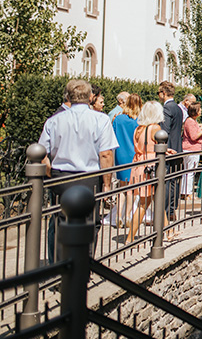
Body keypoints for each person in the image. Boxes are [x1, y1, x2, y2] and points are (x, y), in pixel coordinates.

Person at [40, 79, 118, 259]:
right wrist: (106, 184)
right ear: (90, 97)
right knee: (89, 223)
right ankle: (83, 267)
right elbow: (106, 154)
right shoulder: (101, 119)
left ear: (68, 96)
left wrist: (52, 174)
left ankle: (61, 271)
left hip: (61, 178)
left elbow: (42, 154)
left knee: (61, 222)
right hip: (89, 178)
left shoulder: (54, 121)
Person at [126, 101, 169, 244]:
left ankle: (168, 231)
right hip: (151, 167)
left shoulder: (139, 129)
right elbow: (158, 145)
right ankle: (130, 238)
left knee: (157, 198)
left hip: (139, 164)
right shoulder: (155, 128)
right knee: (144, 203)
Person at [111, 94, 141, 227]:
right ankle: (128, 215)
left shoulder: (118, 119)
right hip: (134, 154)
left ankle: (118, 215)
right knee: (132, 188)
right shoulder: (139, 120)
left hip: (120, 154)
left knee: (121, 187)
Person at [158, 81, 183, 223]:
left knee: (167, 181)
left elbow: (165, 131)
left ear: (163, 93)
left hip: (169, 149)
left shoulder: (166, 108)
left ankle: (166, 212)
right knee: (175, 181)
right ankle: (172, 209)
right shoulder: (178, 108)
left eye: (159, 93)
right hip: (178, 148)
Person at [181, 101, 202, 199]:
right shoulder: (190, 121)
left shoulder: (191, 121)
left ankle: (184, 191)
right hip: (191, 149)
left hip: (190, 149)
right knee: (190, 172)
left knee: (188, 171)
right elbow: (194, 136)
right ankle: (188, 193)